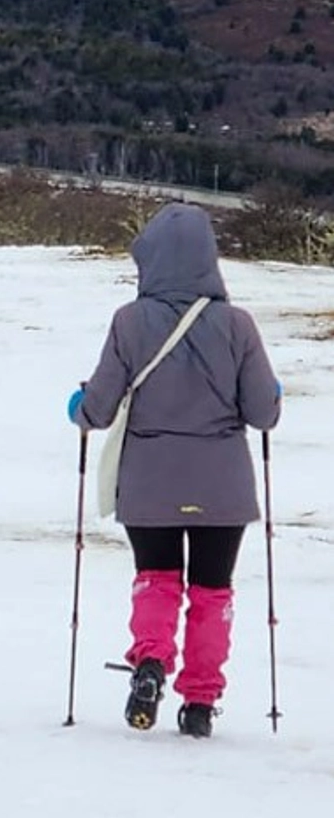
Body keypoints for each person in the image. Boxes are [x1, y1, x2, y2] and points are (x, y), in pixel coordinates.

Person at [70, 202, 280, 738]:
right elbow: (263, 413)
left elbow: (95, 410)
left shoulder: (130, 322)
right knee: (213, 590)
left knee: (156, 578)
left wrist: (76, 405)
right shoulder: (238, 325)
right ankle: (201, 702)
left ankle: (150, 663)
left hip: (150, 480)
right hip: (223, 485)